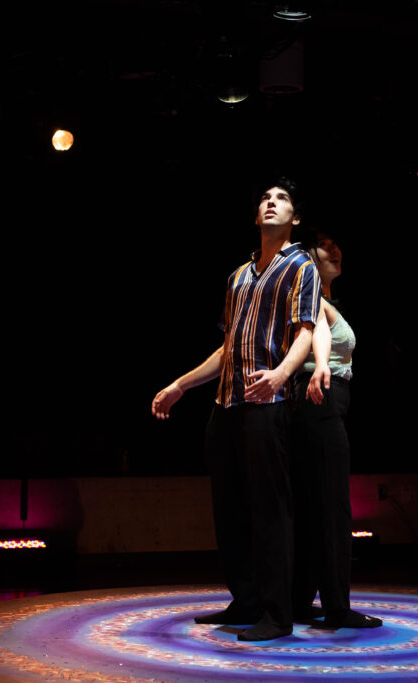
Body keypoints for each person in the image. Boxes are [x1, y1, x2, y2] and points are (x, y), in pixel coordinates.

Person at [151, 178, 320, 641]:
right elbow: (227, 347)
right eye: (265, 198)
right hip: (226, 404)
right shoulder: (238, 276)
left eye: (282, 198)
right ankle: (244, 599)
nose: (271, 202)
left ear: (295, 217)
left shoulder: (301, 266)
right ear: (255, 215)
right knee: (230, 510)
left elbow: (305, 331)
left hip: (267, 401)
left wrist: (281, 375)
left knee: (270, 511)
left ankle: (277, 612)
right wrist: (180, 385)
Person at [292, 228, 382, 629]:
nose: (336, 251)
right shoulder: (311, 299)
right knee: (330, 506)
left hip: (326, 399)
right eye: (327, 247)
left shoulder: (325, 301)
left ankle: (302, 600)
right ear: (310, 257)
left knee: (315, 506)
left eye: (337, 246)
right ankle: (336, 607)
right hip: (320, 395)